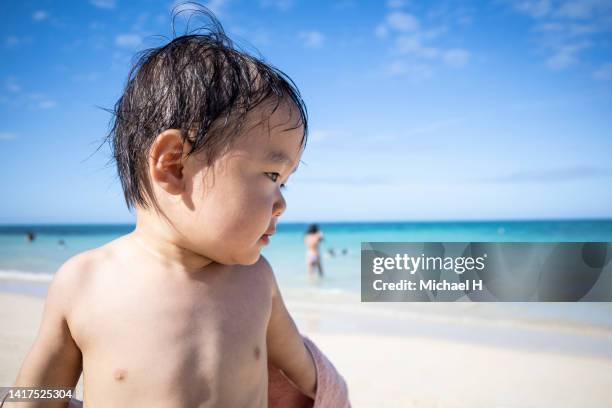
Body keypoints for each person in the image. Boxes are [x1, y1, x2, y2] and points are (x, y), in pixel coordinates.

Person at [8, 7, 340, 408]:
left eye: (284, 182)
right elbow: (41, 395)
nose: (283, 203)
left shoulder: (257, 282)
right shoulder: (82, 283)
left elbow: (311, 382)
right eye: (272, 175)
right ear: (175, 166)